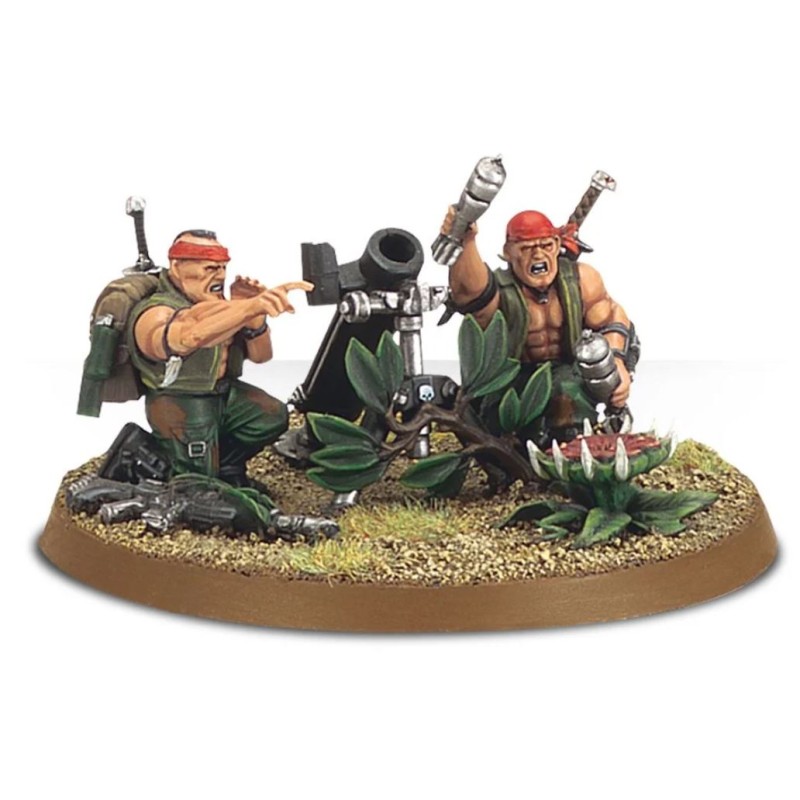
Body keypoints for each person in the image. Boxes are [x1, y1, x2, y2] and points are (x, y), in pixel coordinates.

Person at [128, 229, 312, 484]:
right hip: (181, 401)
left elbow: (262, 357)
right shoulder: (156, 311)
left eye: (223, 267)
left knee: (271, 416)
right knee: (197, 479)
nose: (221, 276)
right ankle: (176, 479)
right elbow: (190, 334)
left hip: (223, 393)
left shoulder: (224, 307)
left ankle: (226, 467)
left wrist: (255, 318)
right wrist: (249, 307)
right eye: (210, 268)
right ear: (177, 267)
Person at [442, 207, 636, 443]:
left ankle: (581, 442)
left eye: (546, 246)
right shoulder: (499, 290)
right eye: (526, 248)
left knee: (568, 393)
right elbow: (468, 293)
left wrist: (617, 363)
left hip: (568, 372)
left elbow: (612, 318)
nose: (538, 255)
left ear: (557, 244)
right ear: (508, 252)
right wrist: (466, 239)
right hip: (513, 378)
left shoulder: (581, 280)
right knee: (503, 424)